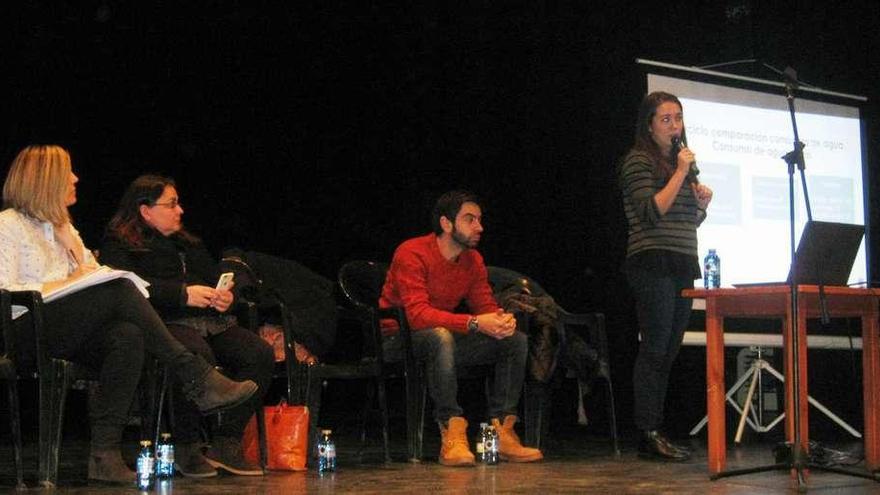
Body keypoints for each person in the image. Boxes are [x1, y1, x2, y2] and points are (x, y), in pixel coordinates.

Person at [0, 145, 257, 484]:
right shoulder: (8, 225)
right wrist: (69, 282)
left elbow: (92, 272)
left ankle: (103, 454)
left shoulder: (65, 229)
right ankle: (195, 375)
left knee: (127, 335)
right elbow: (5, 288)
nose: (76, 178)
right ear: (45, 180)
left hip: (67, 328)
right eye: (68, 173)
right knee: (121, 290)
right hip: (22, 329)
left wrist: (87, 278)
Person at [101, 174, 274, 477]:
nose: (180, 211)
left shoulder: (188, 242)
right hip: (161, 321)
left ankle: (226, 441)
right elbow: (125, 288)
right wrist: (182, 295)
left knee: (258, 352)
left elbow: (211, 279)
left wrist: (225, 299)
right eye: (171, 204)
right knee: (196, 354)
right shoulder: (120, 243)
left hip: (209, 321)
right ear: (145, 210)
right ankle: (187, 446)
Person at [379, 190, 543, 466]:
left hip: (440, 338)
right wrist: (476, 323)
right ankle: (452, 432)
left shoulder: (473, 260)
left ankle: (503, 432)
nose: (479, 227)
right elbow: (416, 316)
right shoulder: (412, 252)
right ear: (446, 223)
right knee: (440, 338)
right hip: (398, 339)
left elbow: (484, 306)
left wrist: (501, 321)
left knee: (514, 341)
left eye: (479, 220)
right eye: (470, 219)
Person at [619, 92, 713, 461]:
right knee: (654, 349)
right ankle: (647, 432)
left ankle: (656, 428)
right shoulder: (637, 161)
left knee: (670, 351)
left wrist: (701, 207)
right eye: (666, 119)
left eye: (679, 118)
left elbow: (684, 221)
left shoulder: (681, 164)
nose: (675, 126)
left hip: (681, 261)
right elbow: (651, 212)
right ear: (649, 124)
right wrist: (678, 173)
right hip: (652, 262)